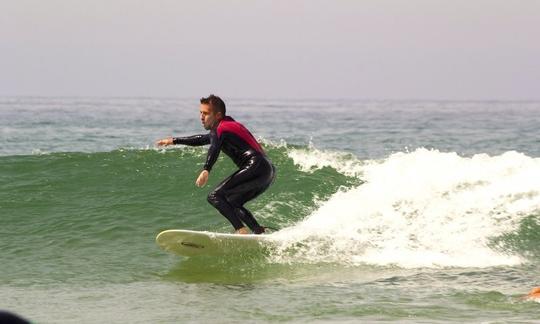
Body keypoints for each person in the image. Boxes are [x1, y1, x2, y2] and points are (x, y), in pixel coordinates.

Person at [156, 95, 275, 234]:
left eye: (205, 113)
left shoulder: (220, 129)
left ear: (218, 115)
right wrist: (173, 140)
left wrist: (206, 169)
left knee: (214, 196)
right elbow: (202, 139)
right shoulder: (227, 126)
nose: (201, 117)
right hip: (267, 170)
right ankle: (258, 231)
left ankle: (240, 230)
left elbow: (214, 148)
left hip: (255, 165)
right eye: (200, 113)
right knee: (233, 203)